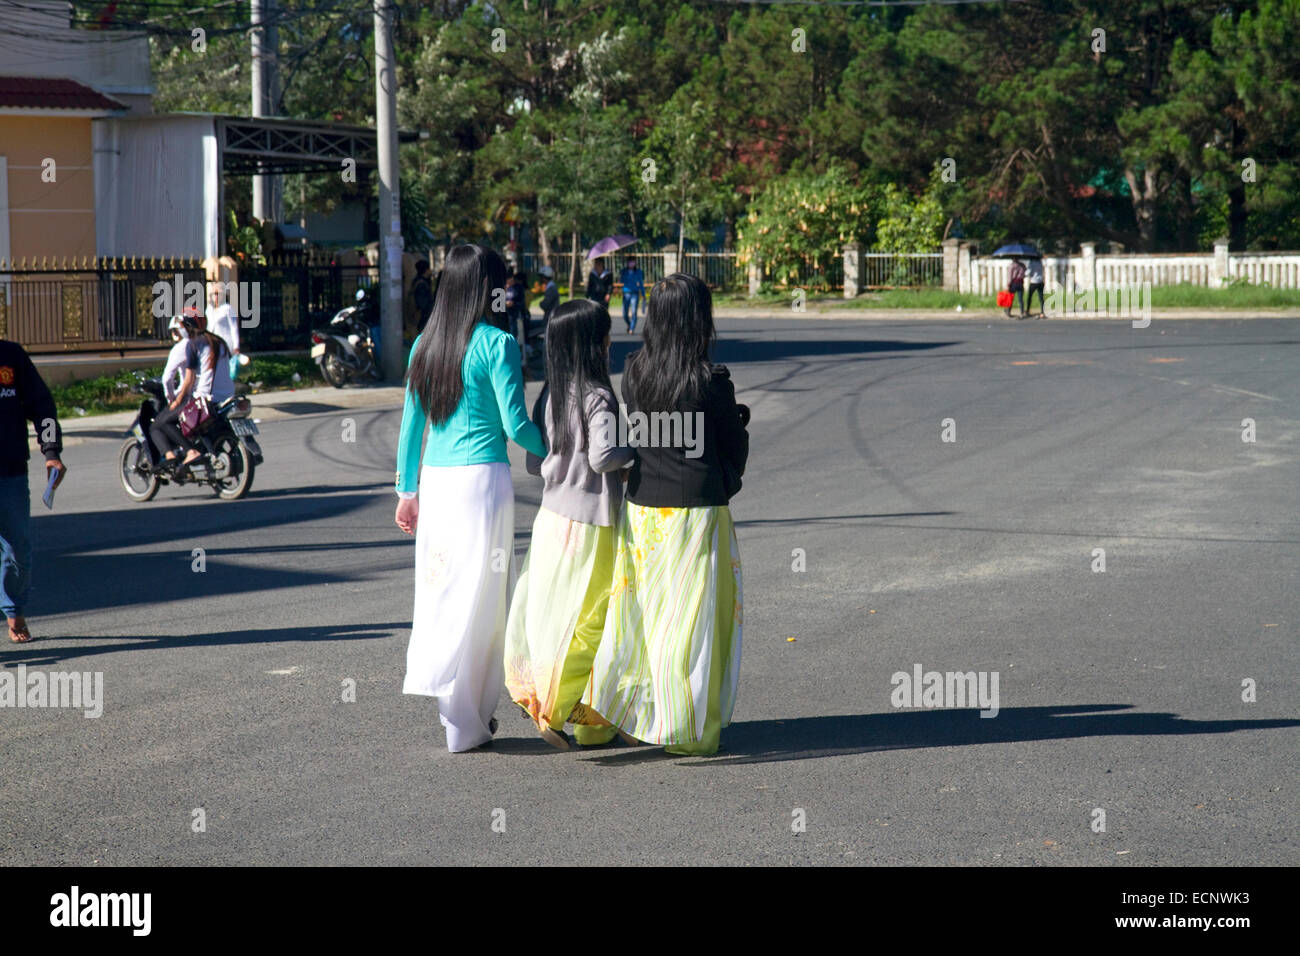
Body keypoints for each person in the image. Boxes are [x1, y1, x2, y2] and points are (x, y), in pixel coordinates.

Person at [581, 273, 749, 756]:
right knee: (690, 622)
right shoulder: (711, 381)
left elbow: (641, 435)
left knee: (634, 615)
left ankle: (604, 717)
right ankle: (684, 727)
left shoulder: (634, 370)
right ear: (699, 320)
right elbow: (732, 451)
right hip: (697, 515)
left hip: (643, 510)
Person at [394, 244, 547, 753]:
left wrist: (406, 491)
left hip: (436, 483)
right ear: (487, 289)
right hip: (483, 483)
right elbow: (516, 425)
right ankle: (472, 718)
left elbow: (411, 427)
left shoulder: (424, 346)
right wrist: (562, 449)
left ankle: (453, 716)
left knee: (442, 595)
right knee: (483, 600)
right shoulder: (497, 344)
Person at [504, 299, 635, 750]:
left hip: (551, 519)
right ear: (592, 344)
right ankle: (563, 710)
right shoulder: (597, 396)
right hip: (591, 524)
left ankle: (571, 711)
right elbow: (602, 456)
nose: (610, 340)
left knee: (552, 615)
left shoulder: (550, 395)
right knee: (590, 619)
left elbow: (531, 460)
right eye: (605, 333)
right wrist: (633, 451)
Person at [0, 338, 66, 643]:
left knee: (18, 550)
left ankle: (14, 611)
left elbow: (42, 405)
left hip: (10, 472)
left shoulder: (11, 356)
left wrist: (51, 451)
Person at [150, 310, 234, 470]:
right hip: (228, 396)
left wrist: (177, 400)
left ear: (186, 328)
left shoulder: (192, 344)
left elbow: (189, 380)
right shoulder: (220, 342)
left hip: (205, 399)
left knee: (161, 422)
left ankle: (190, 451)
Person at [206, 285, 242, 380]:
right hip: (213, 343)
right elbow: (208, 327)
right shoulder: (209, 310)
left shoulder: (228, 309)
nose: (216, 296)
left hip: (226, 343)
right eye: (214, 294)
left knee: (226, 367)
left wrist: (236, 346)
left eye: (219, 294)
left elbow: (234, 328)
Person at [162, 316, 190, 403]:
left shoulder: (179, 348)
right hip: (208, 395)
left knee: (161, 417)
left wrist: (171, 399)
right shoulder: (205, 343)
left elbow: (167, 379)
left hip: (186, 397)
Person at [618, 257, 646, 333]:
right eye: (630, 262)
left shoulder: (638, 271)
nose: (631, 264)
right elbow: (620, 281)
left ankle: (632, 328)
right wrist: (620, 275)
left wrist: (643, 294)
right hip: (626, 293)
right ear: (627, 263)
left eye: (633, 262)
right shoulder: (624, 271)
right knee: (624, 314)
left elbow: (641, 283)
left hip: (634, 293)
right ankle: (629, 324)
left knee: (634, 312)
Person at [411, 260, 435, 334]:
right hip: (422, 317)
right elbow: (423, 304)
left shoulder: (419, 281)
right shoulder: (421, 284)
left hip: (421, 316)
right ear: (426, 270)